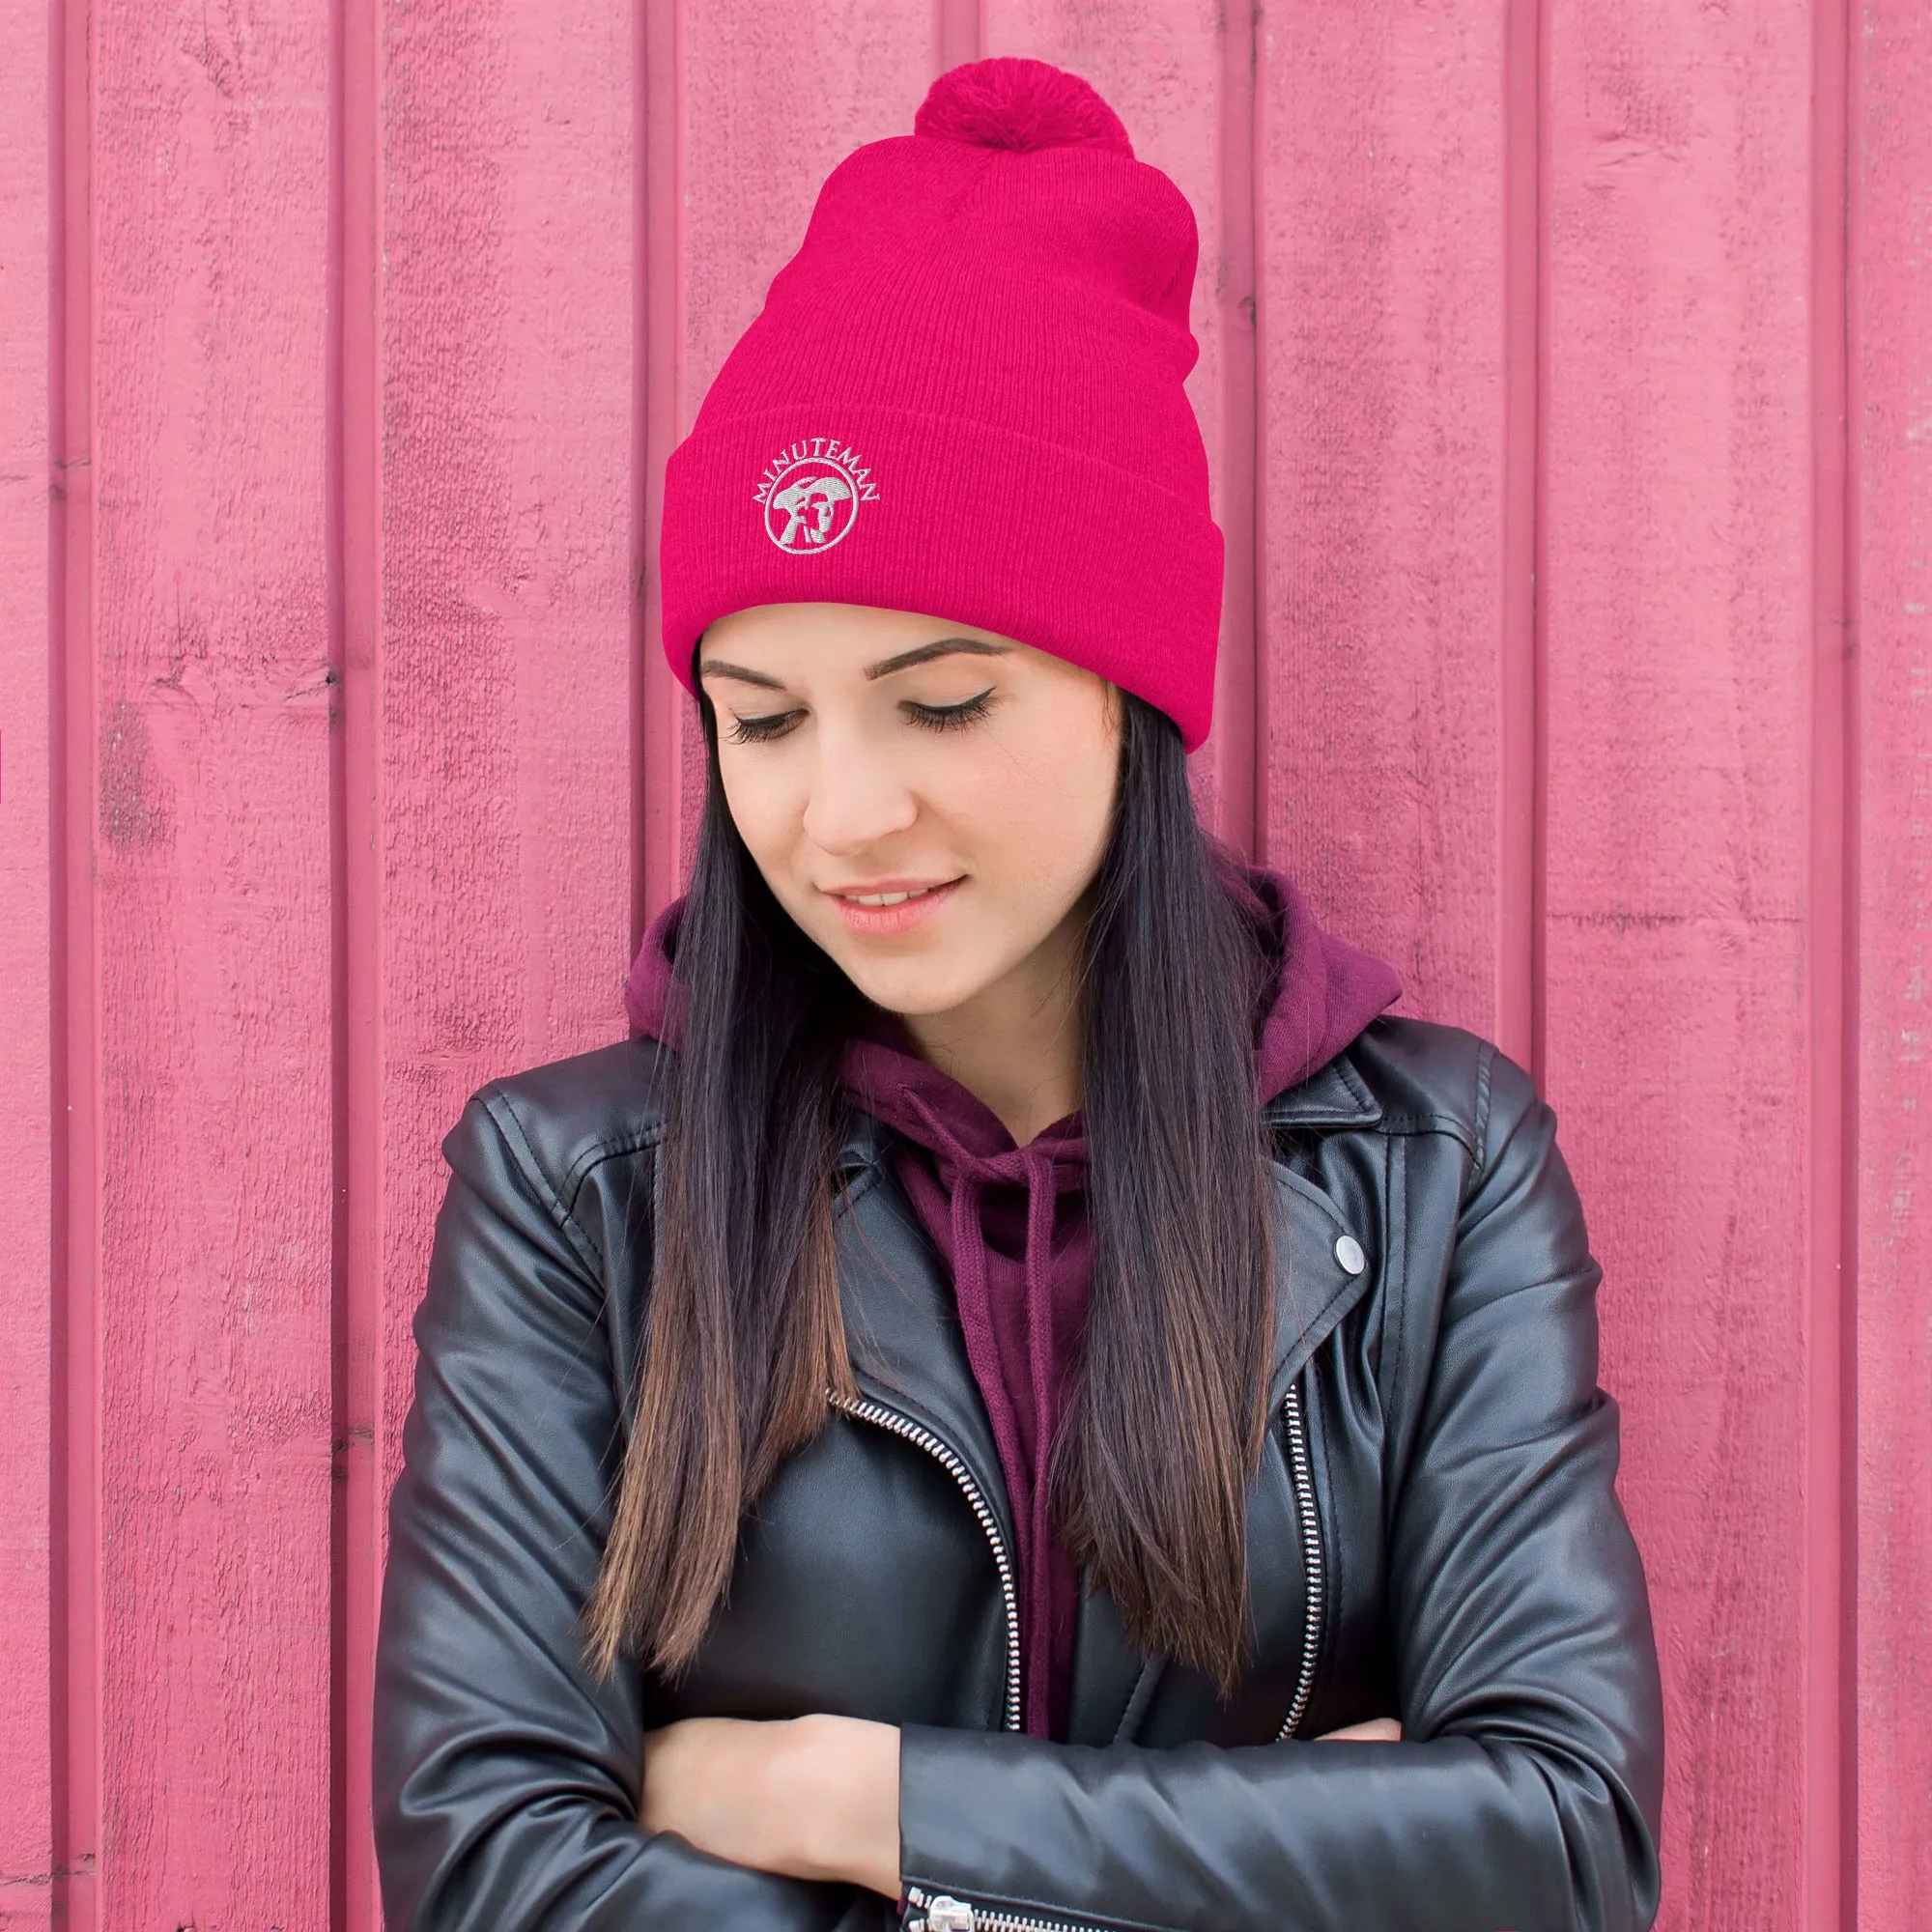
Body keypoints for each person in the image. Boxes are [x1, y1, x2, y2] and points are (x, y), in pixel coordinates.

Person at [373, 57, 1664, 1932]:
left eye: (942, 701)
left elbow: (1557, 1844)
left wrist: (843, 1790)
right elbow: (493, 1872)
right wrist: (1291, 1839)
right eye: (762, 719)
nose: (842, 811)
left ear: (1127, 695)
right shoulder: (581, 1190)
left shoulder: (1431, 1161)